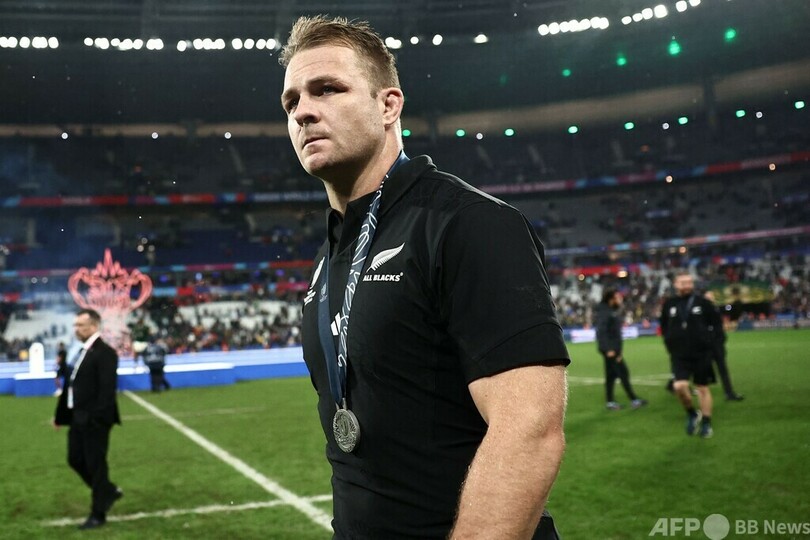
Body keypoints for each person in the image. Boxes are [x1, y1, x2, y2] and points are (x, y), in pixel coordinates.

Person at [280, 16, 570, 539]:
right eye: (291, 101)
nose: (303, 111)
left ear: (388, 105)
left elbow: (529, 430)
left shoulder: (467, 223)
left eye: (327, 89)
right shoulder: (328, 258)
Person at [53, 309, 123, 530]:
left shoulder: (105, 353)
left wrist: (97, 419)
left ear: (94, 326)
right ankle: (107, 491)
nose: (76, 329)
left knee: (96, 464)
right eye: (75, 325)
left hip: (94, 420)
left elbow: (107, 391)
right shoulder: (79, 350)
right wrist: (61, 416)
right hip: (77, 417)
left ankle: (98, 513)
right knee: (75, 459)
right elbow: (71, 385)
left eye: (80, 325)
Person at [660, 272, 717, 438]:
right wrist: (670, 343)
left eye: (689, 282)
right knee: (679, 387)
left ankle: (706, 423)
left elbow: (716, 325)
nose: (687, 285)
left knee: (702, 388)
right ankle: (692, 413)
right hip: (679, 355)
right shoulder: (669, 304)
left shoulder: (703, 303)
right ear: (676, 284)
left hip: (701, 353)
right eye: (683, 282)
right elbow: (664, 327)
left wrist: (710, 345)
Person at [595, 289, 647, 410]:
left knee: (611, 376)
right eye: (618, 297)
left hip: (613, 350)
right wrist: (608, 349)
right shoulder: (606, 312)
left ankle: (610, 402)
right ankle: (634, 399)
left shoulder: (610, 311)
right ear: (611, 299)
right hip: (611, 351)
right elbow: (601, 332)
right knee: (623, 373)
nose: (620, 299)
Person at [703, 291, 744, 401]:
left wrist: (721, 339)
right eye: (708, 297)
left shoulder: (715, 309)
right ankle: (676, 383)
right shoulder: (702, 311)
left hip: (717, 344)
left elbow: (719, 325)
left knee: (722, 369)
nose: (710, 298)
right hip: (706, 345)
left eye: (711, 297)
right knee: (697, 367)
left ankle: (729, 393)